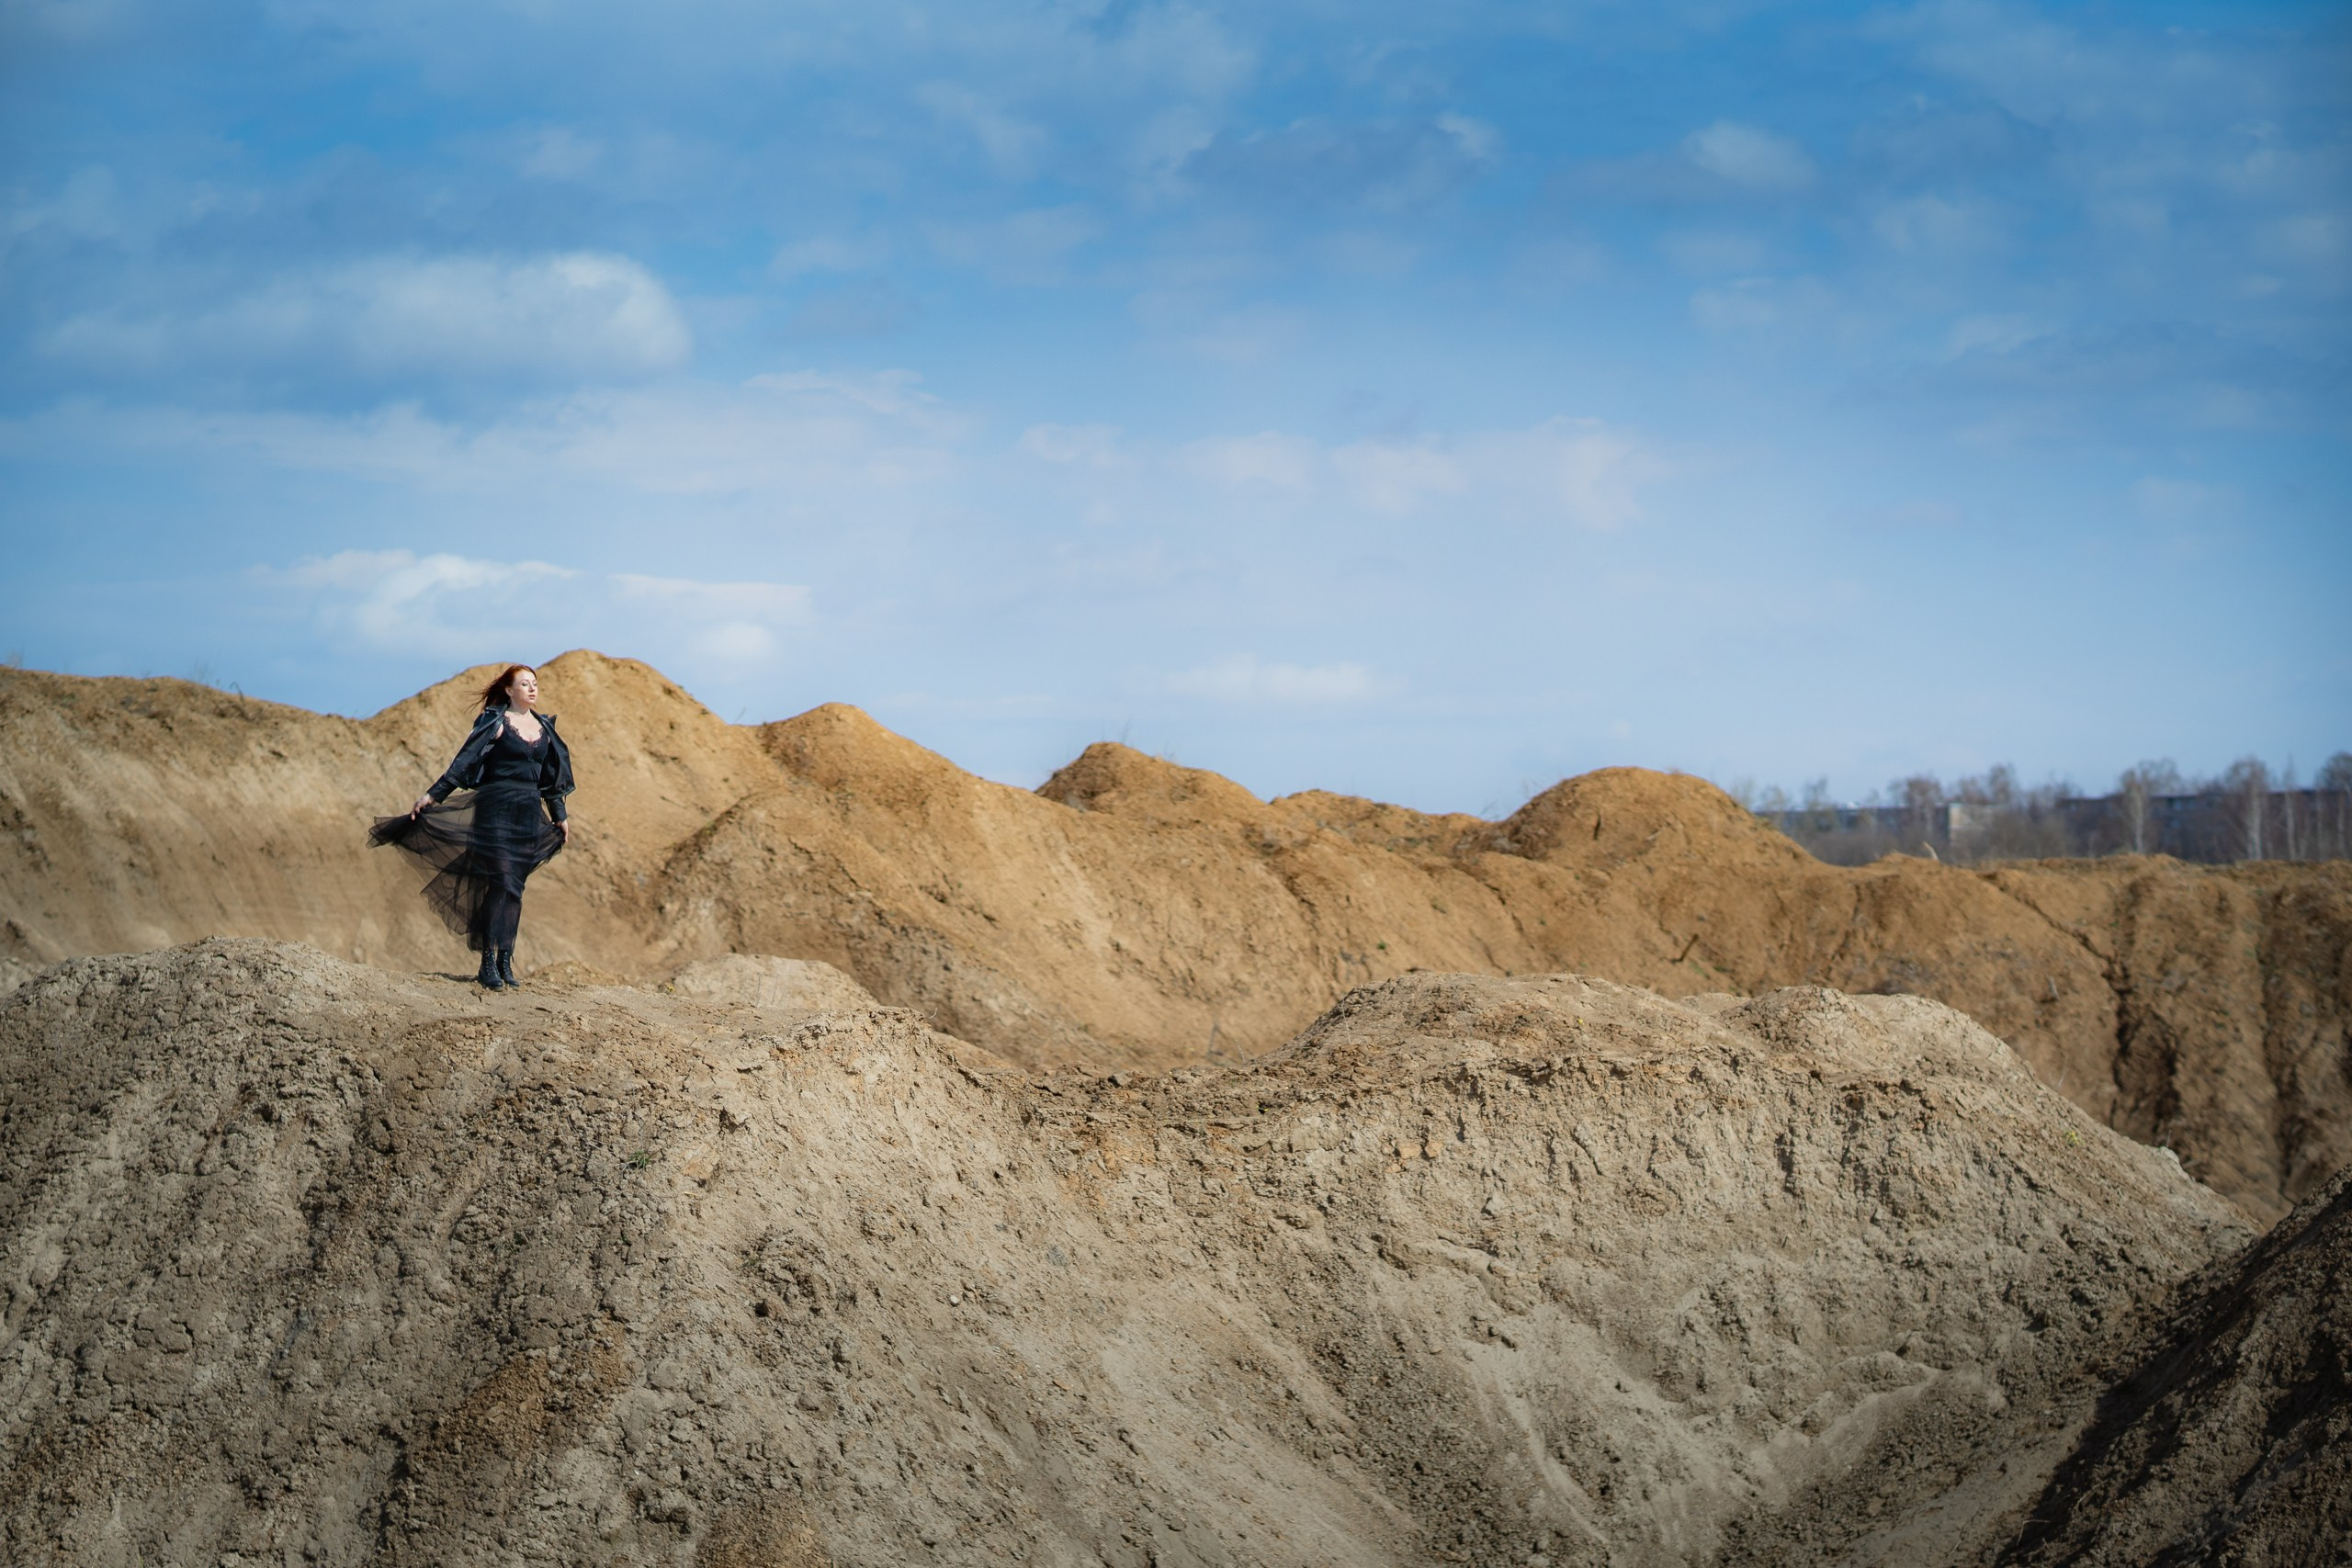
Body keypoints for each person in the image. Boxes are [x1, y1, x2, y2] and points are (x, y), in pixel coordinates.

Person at [369, 663, 575, 990]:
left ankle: (505, 959)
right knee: (503, 879)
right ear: (509, 690)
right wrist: (432, 796)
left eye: (535, 684)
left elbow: (552, 781)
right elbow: (462, 763)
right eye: (525, 684)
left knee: (514, 887)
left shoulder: (543, 727)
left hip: (527, 813)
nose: (532, 689)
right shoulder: (495, 721)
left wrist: (559, 816)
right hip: (495, 810)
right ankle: (487, 962)